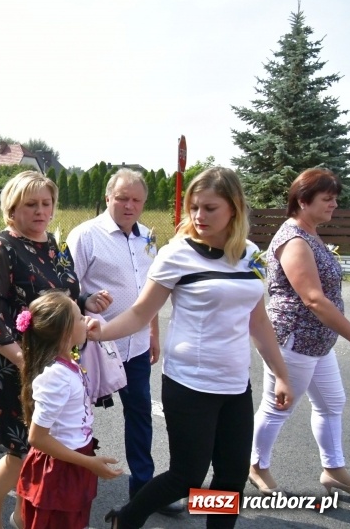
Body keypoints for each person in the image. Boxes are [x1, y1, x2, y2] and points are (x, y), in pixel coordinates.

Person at [87, 167, 293, 529]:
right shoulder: (176, 253)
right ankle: (127, 518)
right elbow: (139, 313)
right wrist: (98, 332)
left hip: (234, 384)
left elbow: (258, 321)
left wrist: (281, 374)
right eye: (194, 207)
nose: (199, 216)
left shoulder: (251, 254)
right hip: (189, 383)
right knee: (187, 476)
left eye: (210, 208)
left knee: (231, 478)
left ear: (234, 208)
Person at [0, 170, 100, 529]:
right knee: (22, 450)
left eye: (46, 203)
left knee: (51, 447)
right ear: (12, 208)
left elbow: (68, 294)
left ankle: (22, 511)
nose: (41, 211)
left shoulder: (55, 247)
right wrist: (30, 367)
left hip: (58, 361)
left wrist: (87, 305)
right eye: (31, 204)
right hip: (16, 365)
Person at [66, 168, 183, 514]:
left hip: (135, 346)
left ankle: (143, 490)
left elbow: (153, 292)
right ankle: (70, 485)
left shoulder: (147, 237)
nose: (129, 206)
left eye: (136, 200)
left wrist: (153, 332)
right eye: (122, 198)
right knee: (76, 415)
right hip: (93, 347)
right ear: (107, 198)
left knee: (140, 415)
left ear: (144, 203)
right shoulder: (85, 235)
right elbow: (65, 286)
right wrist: (86, 298)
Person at [249, 168, 350, 496]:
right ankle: (256, 465)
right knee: (278, 407)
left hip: (317, 343)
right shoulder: (294, 239)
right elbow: (312, 299)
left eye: (335, 198)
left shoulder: (310, 232)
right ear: (304, 201)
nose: (334, 204)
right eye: (327, 199)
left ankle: (333, 469)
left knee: (332, 401)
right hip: (295, 339)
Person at [6, 290, 123, 528]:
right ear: (65, 332)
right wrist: (89, 463)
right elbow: (37, 438)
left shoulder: (68, 361)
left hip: (73, 459)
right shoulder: (56, 376)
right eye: (81, 317)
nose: (88, 321)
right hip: (59, 469)